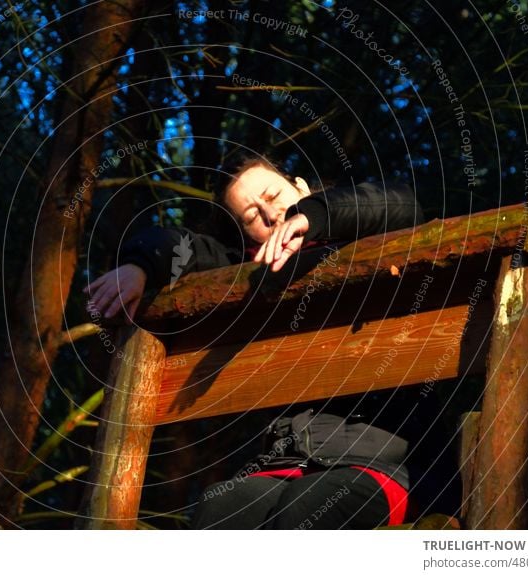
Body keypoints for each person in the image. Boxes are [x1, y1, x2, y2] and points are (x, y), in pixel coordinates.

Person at [84, 157, 458, 529]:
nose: (269, 215)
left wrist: (311, 216)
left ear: (300, 186)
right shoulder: (248, 270)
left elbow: (400, 203)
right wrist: (140, 266)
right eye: (250, 217)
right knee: (218, 511)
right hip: (289, 463)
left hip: (388, 462)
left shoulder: (364, 226)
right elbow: (181, 245)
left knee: (308, 510)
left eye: (273, 195)